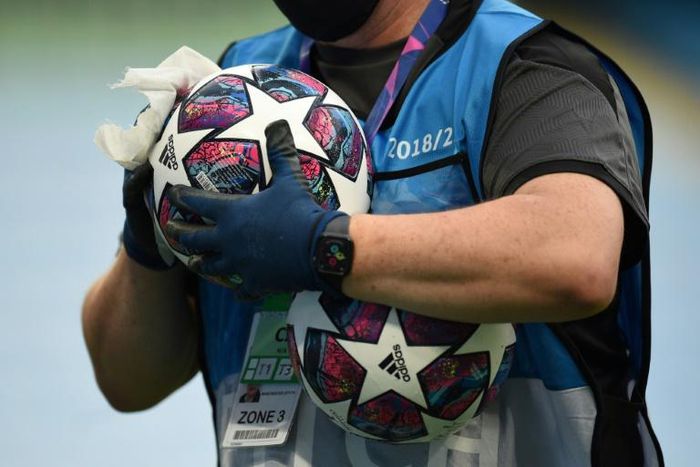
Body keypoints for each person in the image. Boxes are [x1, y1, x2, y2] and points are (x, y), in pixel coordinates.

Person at [82, 0, 664, 465]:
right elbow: (127, 381)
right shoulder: (232, 97)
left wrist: (325, 247)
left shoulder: (522, 66)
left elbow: (573, 258)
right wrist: (146, 243)